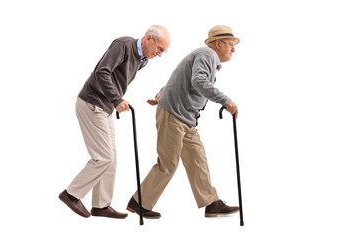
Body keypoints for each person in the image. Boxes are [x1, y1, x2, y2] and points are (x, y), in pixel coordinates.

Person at [126, 25, 239, 219]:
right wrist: (225, 100)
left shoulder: (205, 57)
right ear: (218, 43)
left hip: (185, 118)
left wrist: (162, 93)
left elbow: (180, 75)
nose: (234, 49)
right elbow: (199, 81)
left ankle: (212, 203)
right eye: (230, 44)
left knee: (197, 159)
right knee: (168, 164)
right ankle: (139, 203)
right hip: (174, 115)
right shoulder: (206, 55)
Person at [59, 25, 170, 219]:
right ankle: (71, 194)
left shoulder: (142, 60)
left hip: (106, 107)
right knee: (103, 157)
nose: (160, 54)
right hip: (92, 103)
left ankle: (101, 205)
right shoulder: (123, 45)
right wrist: (117, 99)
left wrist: (115, 100)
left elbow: (118, 78)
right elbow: (101, 72)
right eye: (159, 49)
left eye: (163, 51)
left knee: (112, 158)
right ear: (149, 38)